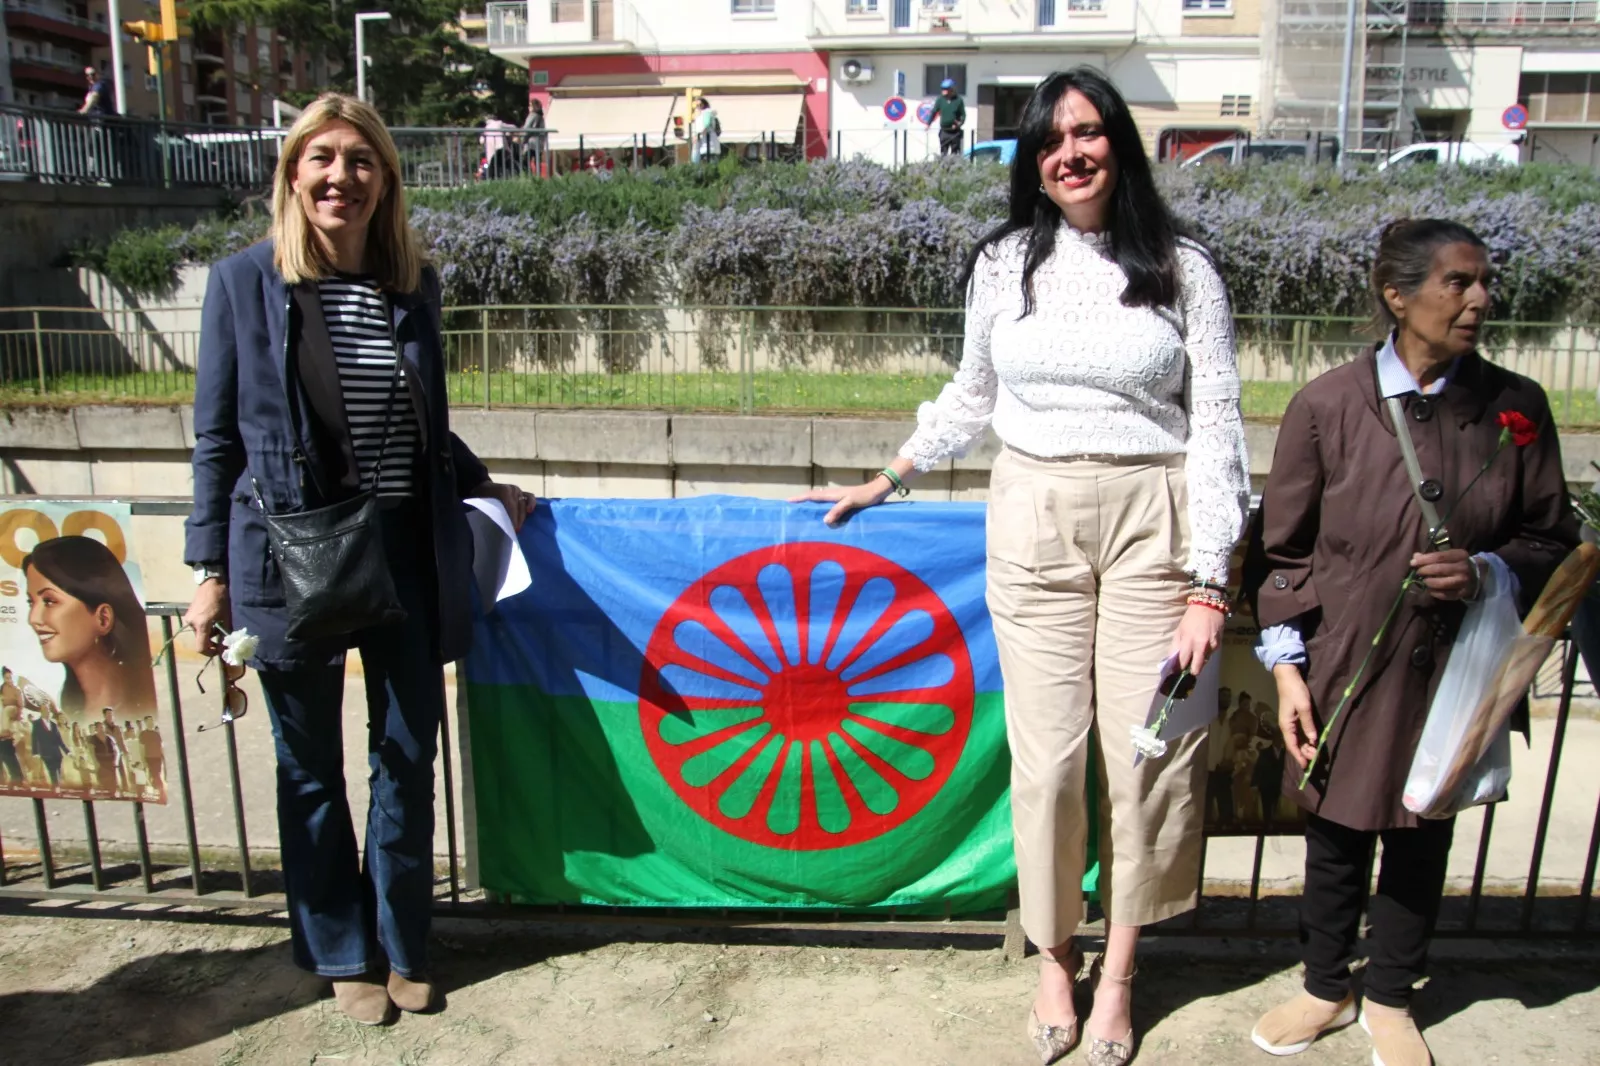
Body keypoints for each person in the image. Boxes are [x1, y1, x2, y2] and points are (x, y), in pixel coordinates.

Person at [791, 67, 1248, 1066]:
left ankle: (1121, 971)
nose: (1070, 153)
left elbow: (1216, 424)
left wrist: (1211, 578)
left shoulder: (1184, 268)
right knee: (1047, 761)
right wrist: (890, 474)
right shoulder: (1005, 263)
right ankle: (1055, 957)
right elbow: (972, 390)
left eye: (1087, 134)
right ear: (1032, 164)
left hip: (1154, 522)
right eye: (1049, 140)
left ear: (1119, 145)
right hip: (1032, 512)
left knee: (1148, 755)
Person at [183, 92, 532, 1027]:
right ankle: (340, 948)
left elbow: (427, 428)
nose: (341, 176)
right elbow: (217, 440)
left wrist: (489, 486)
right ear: (293, 175)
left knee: (405, 760)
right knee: (308, 770)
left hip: (408, 555)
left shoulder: (414, 284)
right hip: (288, 559)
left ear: (386, 178)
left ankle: (405, 942)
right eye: (321, 159)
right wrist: (207, 571)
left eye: (361, 159)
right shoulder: (244, 284)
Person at [1244, 219, 1577, 1066]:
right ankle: (1326, 986)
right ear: (1398, 295)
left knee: (1424, 831)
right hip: (1343, 661)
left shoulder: (1517, 407)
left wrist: (1489, 574)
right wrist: (1288, 672)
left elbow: (1551, 540)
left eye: (1483, 282)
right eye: (1457, 283)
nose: (1479, 300)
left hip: (1458, 667)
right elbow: (1283, 554)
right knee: (1334, 831)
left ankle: (1390, 994)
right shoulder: (1326, 405)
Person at [24, 536, 157, 729]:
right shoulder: (67, 708)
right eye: (31, 603)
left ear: (103, 618)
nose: (33, 619)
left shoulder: (136, 708)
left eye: (50, 601)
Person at [932, 77, 966, 156]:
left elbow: (963, 115)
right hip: (944, 131)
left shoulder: (958, 100)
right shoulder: (940, 100)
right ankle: (944, 168)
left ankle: (955, 167)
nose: (943, 91)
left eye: (946, 89)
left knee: (955, 154)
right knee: (943, 153)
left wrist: (959, 124)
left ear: (951, 89)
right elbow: (934, 111)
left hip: (955, 132)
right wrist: (928, 123)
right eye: (942, 88)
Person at [140, 715, 166, 800]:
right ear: (145, 723)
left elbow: (160, 747)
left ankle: (159, 792)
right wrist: (143, 760)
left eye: (152, 720)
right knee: (154, 776)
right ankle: (160, 792)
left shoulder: (156, 734)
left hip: (158, 758)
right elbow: (142, 748)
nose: (151, 722)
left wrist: (163, 757)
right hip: (149, 758)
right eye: (148, 721)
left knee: (156, 775)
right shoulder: (143, 734)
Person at [691, 97, 720, 164]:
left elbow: (706, 125)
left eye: (700, 104)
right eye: (697, 105)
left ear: (704, 104)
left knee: (709, 166)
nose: (698, 107)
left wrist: (698, 136)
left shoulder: (706, 112)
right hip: (705, 146)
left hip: (708, 146)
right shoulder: (701, 115)